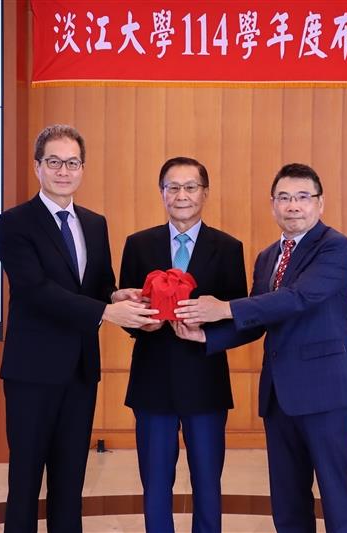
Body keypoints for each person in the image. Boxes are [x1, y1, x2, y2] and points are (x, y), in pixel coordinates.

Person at [173, 163, 347, 533]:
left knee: (337, 494)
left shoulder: (337, 248)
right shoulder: (267, 257)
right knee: (288, 499)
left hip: (327, 395)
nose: (293, 206)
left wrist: (223, 307)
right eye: (284, 198)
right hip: (280, 398)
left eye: (303, 197)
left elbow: (298, 298)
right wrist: (208, 337)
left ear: (320, 204)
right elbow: (259, 319)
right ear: (273, 204)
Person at [0, 124, 159, 533]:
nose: (63, 171)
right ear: (38, 167)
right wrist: (104, 313)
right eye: (54, 162)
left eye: (72, 163)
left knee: (71, 481)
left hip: (81, 371)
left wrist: (117, 296)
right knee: (26, 481)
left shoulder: (95, 223)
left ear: (82, 169)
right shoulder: (15, 223)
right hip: (32, 372)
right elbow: (35, 291)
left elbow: (98, 284)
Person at [119, 157, 248, 533]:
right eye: (172, 187)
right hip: (151, 381)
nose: (182, 195)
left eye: (190, 187)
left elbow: (237, 317)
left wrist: (207, 328)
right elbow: (128, 314)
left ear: (205, 193)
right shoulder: (138, 244)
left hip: (205, 381)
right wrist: (143, 321)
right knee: (155, 484)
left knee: (208, 482)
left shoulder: (227, 247)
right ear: (161, 193)